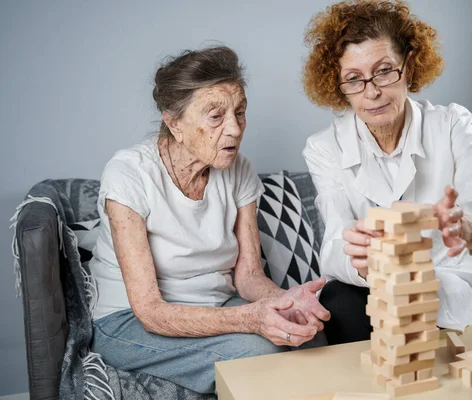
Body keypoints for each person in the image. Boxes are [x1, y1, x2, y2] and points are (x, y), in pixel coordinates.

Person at [89, 46, 330, 394]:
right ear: (174, 124)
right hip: (129, 320)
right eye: (216, 116)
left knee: (307, 337)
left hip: (217, 304)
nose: (234, 129)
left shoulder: (239, 169)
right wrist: (251, 319)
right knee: (260, 356)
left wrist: (285, 302)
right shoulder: (129, 173)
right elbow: (150, 309)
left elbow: (248, 275)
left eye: (240, 112)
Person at [301, 0, 472, 345]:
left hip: (451, 283)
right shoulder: (324, 147)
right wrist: (363, 258)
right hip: (380, 287)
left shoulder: (451, 124)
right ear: (338, 85)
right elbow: (334, 243)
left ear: (407, 67)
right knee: (338, 302)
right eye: (354, 79)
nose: (372, 91)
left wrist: (467, 227)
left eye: (384, 71)